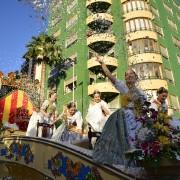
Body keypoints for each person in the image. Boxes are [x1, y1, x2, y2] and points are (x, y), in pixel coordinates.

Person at [92, 57, 146, 165]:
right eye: (126, 74)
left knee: (138, 141)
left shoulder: (141, 92)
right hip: (123, 118)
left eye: (131, 74)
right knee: (125, 142)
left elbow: (143, 108)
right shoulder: (123, 87)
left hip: (137, 119)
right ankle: (124, 164)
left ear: (136, 77)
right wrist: (102, 63)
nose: (128, 76)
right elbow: (109, 75)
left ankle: (138, 163)